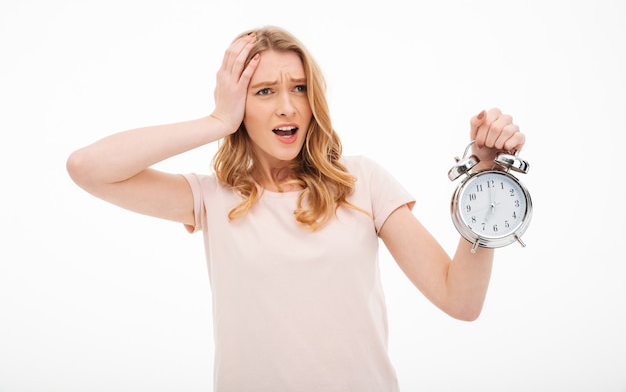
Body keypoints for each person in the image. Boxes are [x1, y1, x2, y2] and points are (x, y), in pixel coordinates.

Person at [66, 25, 525, 392]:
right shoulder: (211, 197)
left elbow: (460, 301)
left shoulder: (362, 182)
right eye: (264, 91)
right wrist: (216, 121)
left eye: (299, 88)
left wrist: (487, 178)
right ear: (239, 103)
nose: (287, 107)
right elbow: (88, 167)